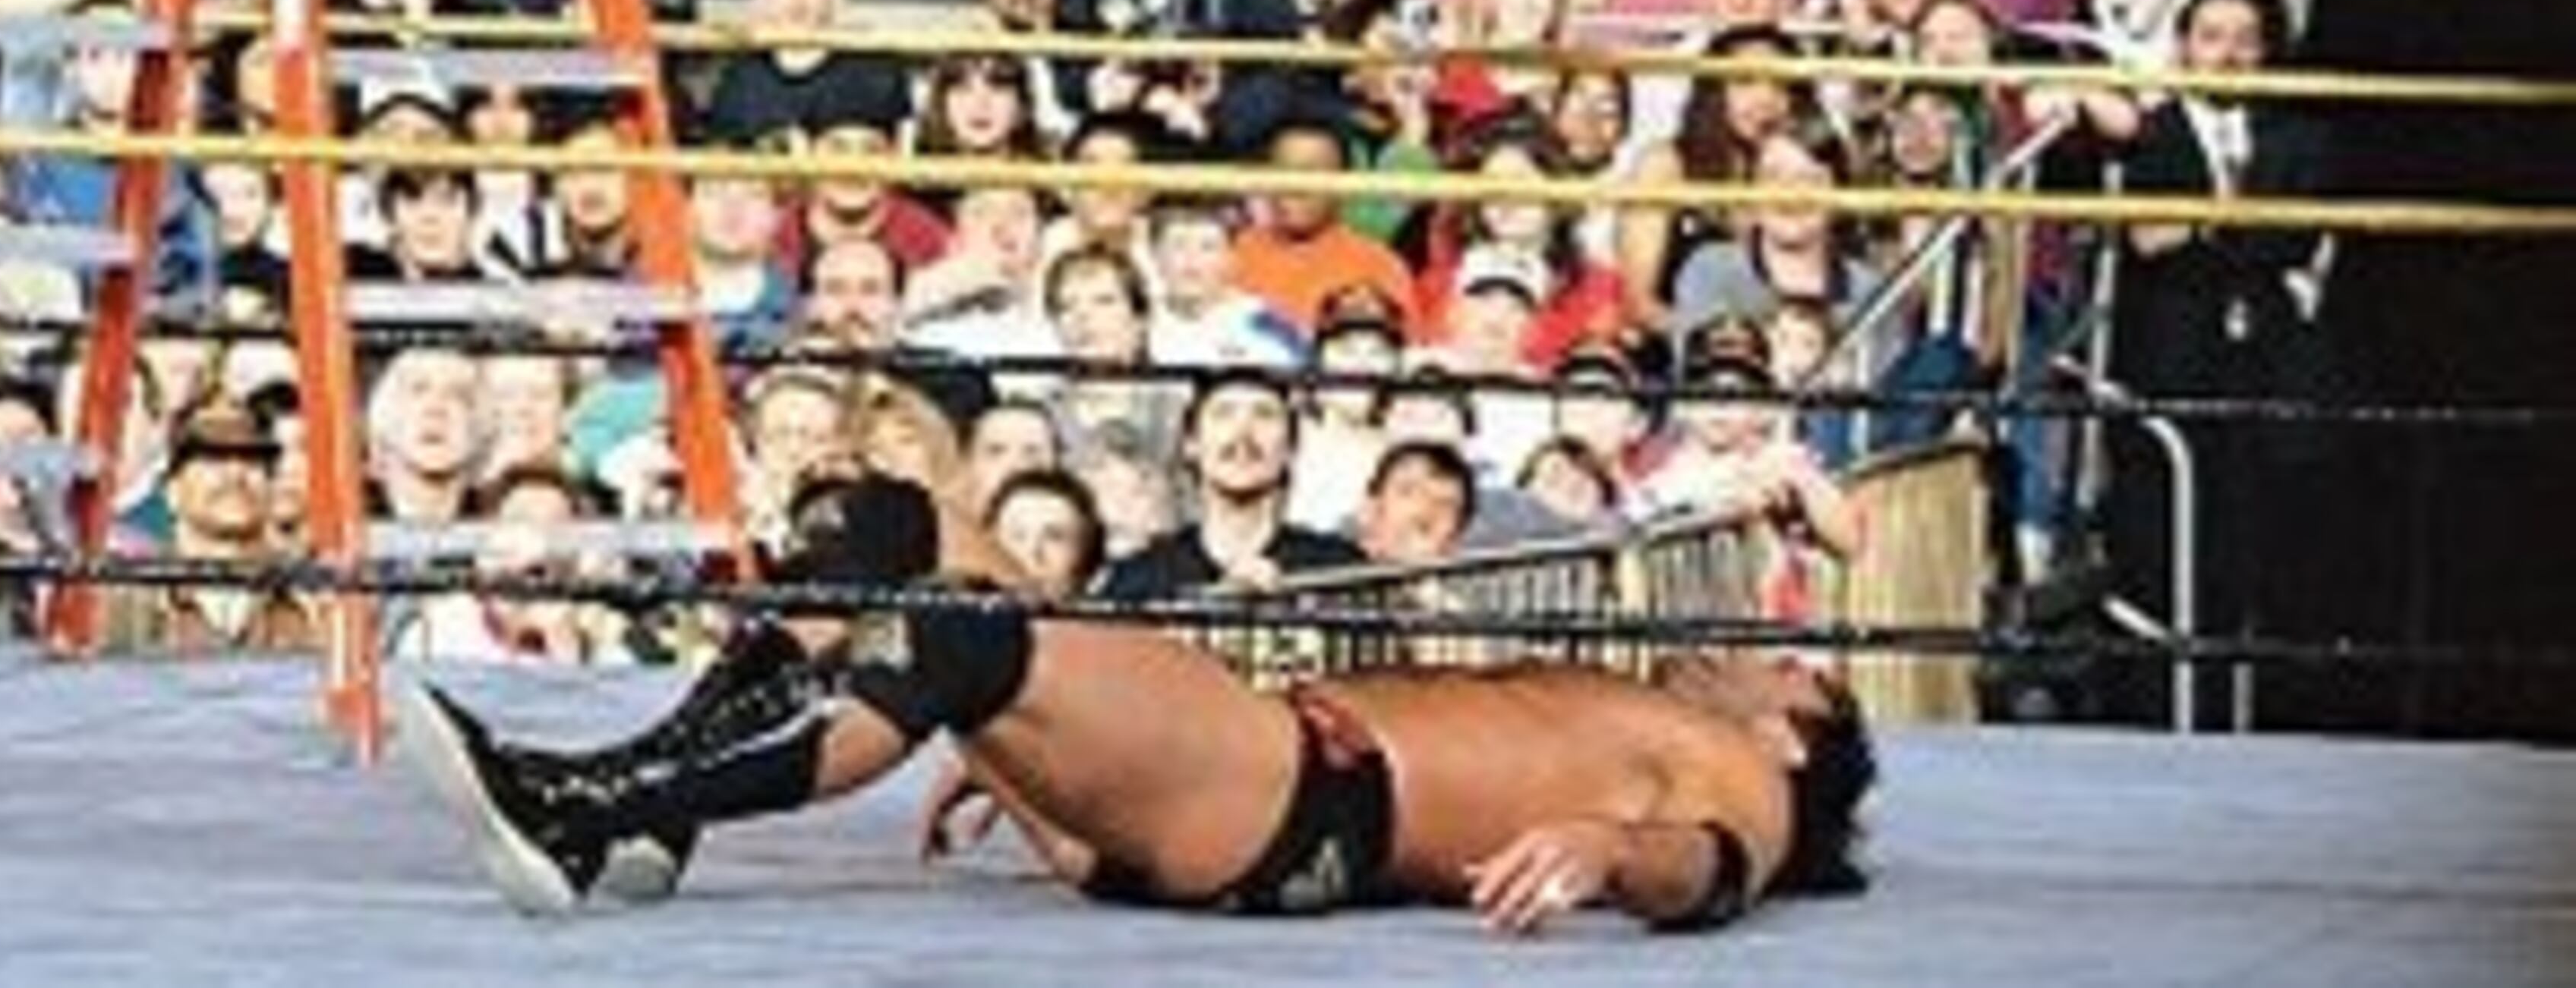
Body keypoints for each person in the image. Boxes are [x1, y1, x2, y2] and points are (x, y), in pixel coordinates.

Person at [396, 465, 1874, 926]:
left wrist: (1619, 855)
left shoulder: (1740, 766)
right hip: (1242, 756)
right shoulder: (1647, 698)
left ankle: (599, 819)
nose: (1760, 639)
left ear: (1795, 722)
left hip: (1301, 812)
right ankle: (655, 801)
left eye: (1793, 661)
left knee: (965, 635)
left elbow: (1718, 873)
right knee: (892, 521)